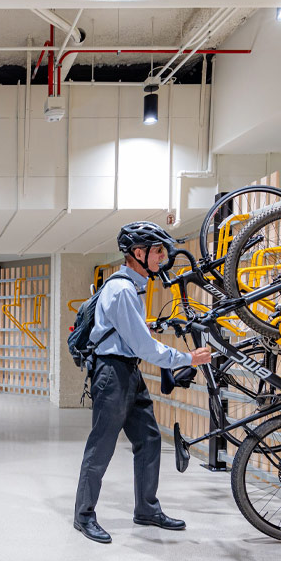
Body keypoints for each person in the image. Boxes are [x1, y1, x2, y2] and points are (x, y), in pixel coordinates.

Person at [73, 221, 212, 544]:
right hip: (112, 375)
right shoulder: (122, 290)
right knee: (101, 446)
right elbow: (144, 347)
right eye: (158, 251)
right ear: (139, 253)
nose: (163, 257)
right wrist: (188, 359)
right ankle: (83, 515)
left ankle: (147, 509)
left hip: (128, 372)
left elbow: (133, 334)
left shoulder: (133, 286)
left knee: (149, 439)